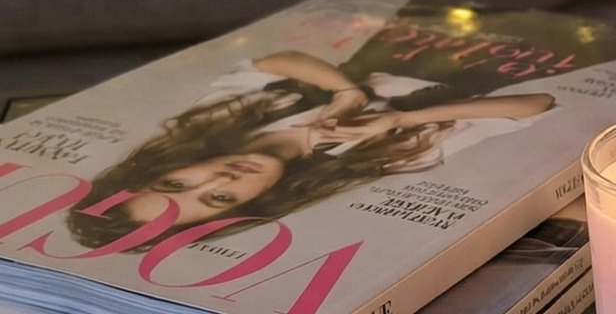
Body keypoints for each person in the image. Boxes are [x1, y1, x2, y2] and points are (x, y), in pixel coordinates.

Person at [65, 49, 555, 250]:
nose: (221, 179)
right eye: (219, 200)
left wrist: (346, 92)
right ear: (246, 209)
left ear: (165, 168)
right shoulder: (375, 161)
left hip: (403, 37)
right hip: (504, 63)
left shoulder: (216, 117)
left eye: (178, 184)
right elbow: (536, 103)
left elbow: (275, 58)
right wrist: (403, 119)